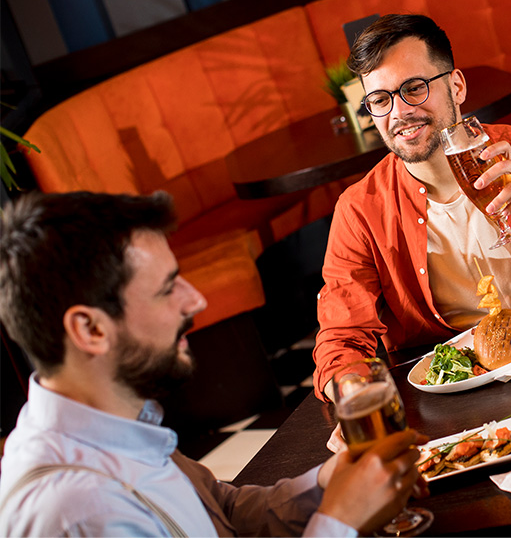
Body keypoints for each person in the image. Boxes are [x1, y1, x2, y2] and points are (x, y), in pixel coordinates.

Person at [0, 191, 427, 537]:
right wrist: (340, 521)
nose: (196, 300)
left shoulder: (116, 425)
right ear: (90, 330)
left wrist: (328, 484)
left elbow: (222, 513)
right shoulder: (79, 512)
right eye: (168, 289)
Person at [314, 14, 511, 401]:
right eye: (380, 100)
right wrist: (357, 401)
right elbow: (341, 340)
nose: (398, 112)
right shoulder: (360, 209)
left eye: (414, 88)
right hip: (459, 392)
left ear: (457, 86)